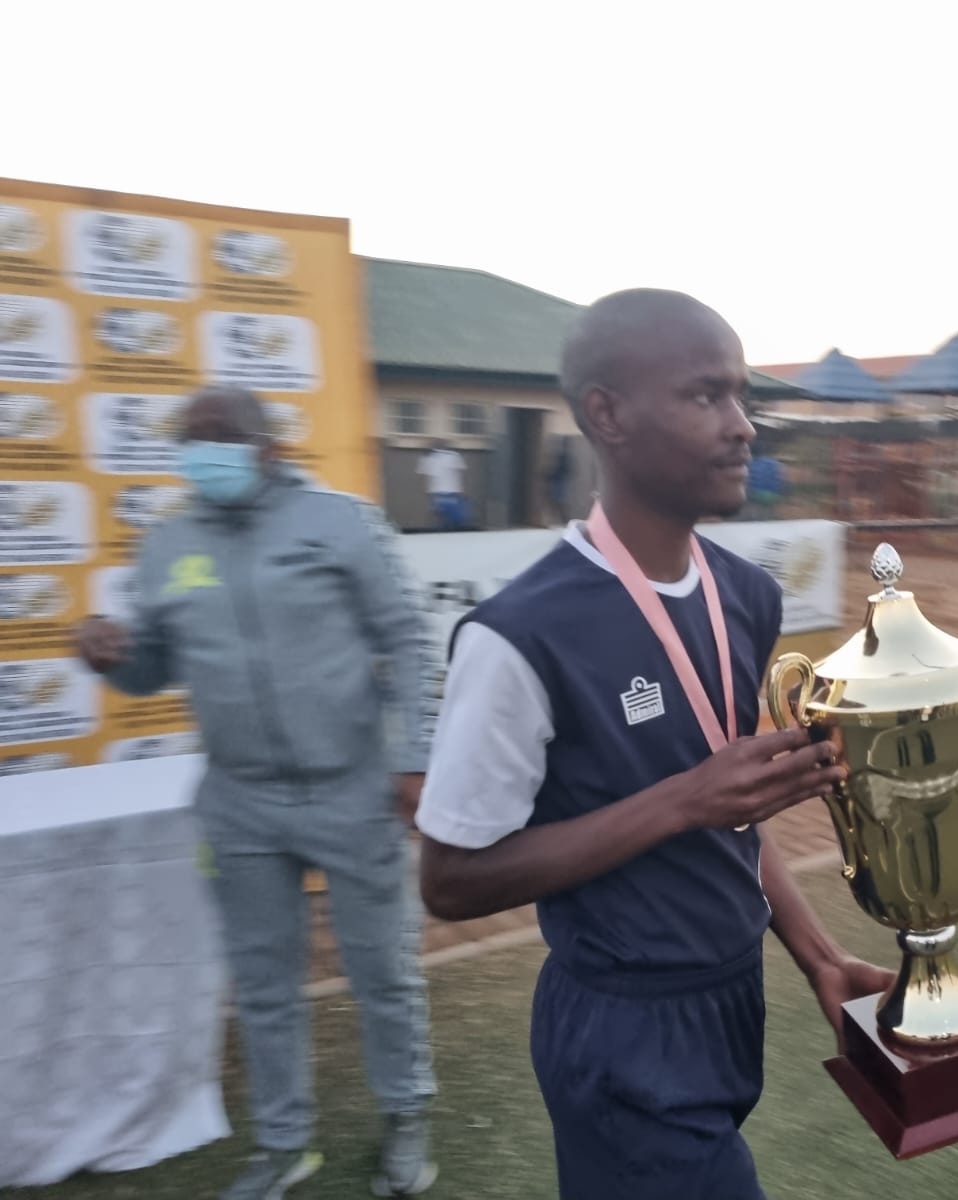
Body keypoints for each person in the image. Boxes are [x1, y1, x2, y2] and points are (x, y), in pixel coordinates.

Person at [416, 289, 892, 1200]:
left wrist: (821, 957)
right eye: (706, 396)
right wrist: (683, 800)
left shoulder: (746, 595)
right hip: (619, 1028)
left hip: (730, 998)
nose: (742, 426)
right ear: (608, 415)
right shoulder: (520, 635)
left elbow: (731, 816)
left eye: (742, 396)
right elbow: (448, 881)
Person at [76, 386, 440, 1199]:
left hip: (352, 789)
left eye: (220, 436)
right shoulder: (167, 544)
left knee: (382, 970)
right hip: (238, 801)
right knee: (265, 983)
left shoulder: (340, 523)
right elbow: (151, 667)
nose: (203, 451)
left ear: (269, 446)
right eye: (190, 438)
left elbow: (409, 638)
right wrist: (110, 658)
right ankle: (283, 1144)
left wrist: (413, 756)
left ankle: (406, 1113)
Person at [417, 439, 469, 530]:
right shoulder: (454, 455)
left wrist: (425, 491)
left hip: (437, 493)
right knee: (458, 519)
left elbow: (422, 477)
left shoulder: (427, 457)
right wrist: (463, 490)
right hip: (453, 493)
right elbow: (462, 473)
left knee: (442, 518)